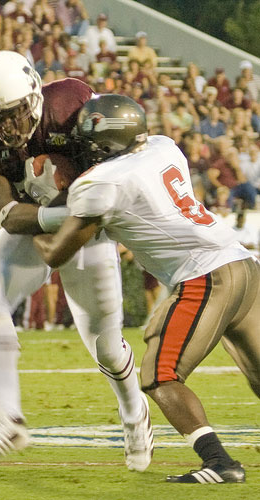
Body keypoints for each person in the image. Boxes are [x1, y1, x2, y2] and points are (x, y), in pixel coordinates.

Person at [33, 94, 259, 484]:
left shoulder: (103, 181)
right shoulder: (162, 147)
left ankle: (220, 463)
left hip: (205, 275)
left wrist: (28, 220)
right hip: (244, 266)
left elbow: (56, 253)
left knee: (160, 374)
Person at [0, 50, 153, 470]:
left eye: (14, 113)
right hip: (34, 225)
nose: (6, 126)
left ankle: (135, 414)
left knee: (106, 346)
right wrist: (62, 210)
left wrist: (87, 212)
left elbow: (117, 175)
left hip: (87, 233)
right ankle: (8, 417)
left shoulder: (71, 105)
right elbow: (8, 216)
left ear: (35, 95)